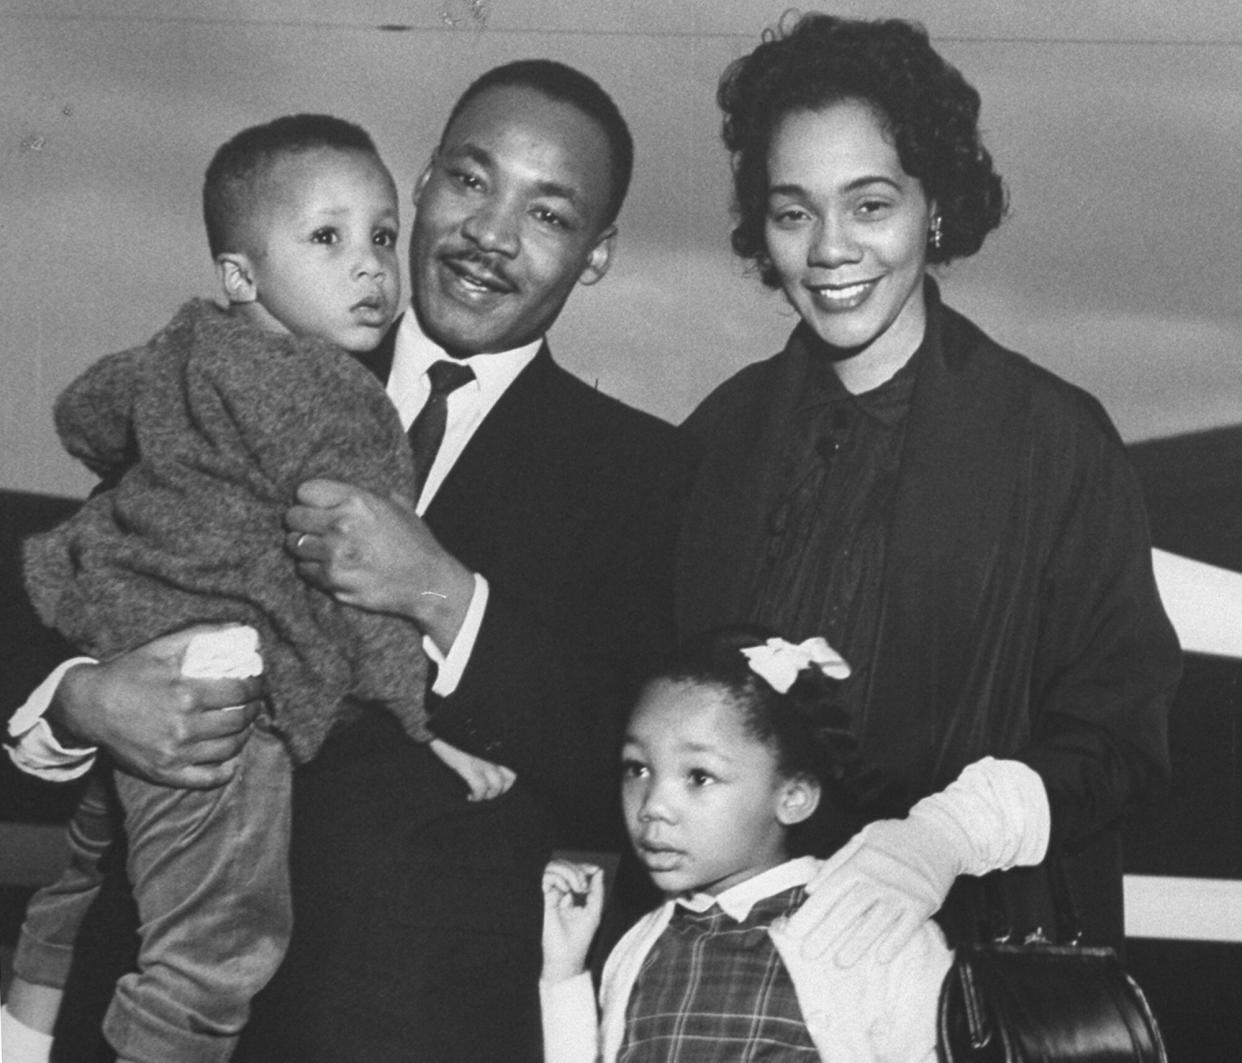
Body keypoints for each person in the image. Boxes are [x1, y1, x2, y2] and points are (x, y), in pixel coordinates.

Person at [7, 61, 688, 1062]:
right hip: (150, 1013)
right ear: (417, 186)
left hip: (404, 1024)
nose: (490, 235)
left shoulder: (648, 473)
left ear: (598, 252)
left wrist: (446, 597)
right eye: (469, 181)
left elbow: (626, 771)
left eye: (547, 214)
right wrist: (82, 702)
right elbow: (80, 572)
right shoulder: (241, 356)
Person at [676, 13, 1181, 963]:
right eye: (794, 212)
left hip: (959, 980)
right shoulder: (715, 439)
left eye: (869, 205)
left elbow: (1122, 744)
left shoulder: (1053, 440)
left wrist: (948, 839)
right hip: (733, 988)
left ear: (934, 208)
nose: (830, 249)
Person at [541, 626, 966, 1063]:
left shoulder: (869, 924)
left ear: (792, 798)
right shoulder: (641, 947)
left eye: (698, 776)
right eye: (638, 769)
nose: (652, 806)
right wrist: (564, 973)